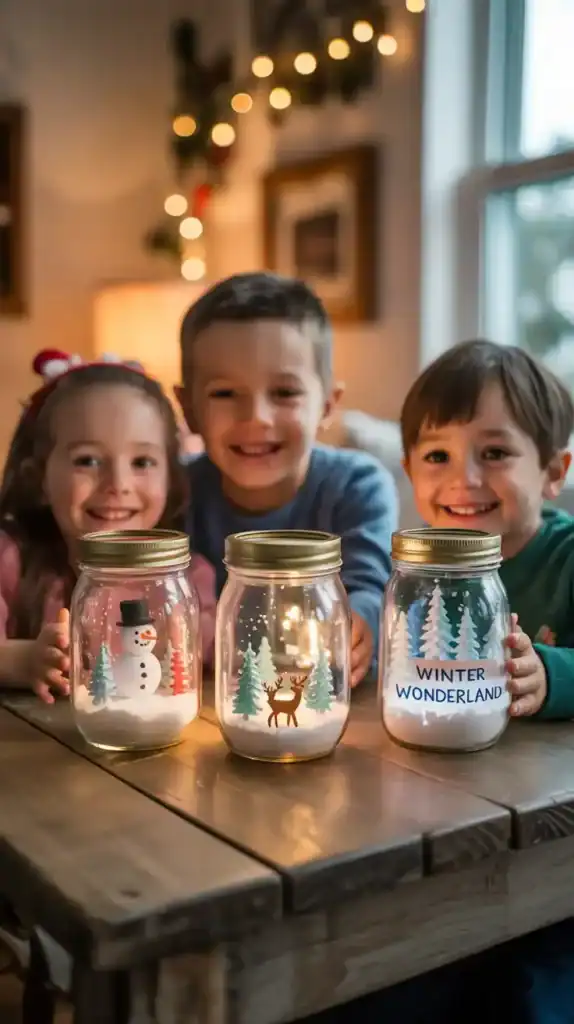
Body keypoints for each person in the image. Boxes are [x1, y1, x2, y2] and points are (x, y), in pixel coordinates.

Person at [400, 338, 574, 1021]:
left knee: (530, 996)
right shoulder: (420, 567)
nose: (463, 481)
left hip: (554, 844)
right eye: (437, 456)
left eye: (494, 454)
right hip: (447, 818)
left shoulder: (564, 558)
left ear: (553, 470)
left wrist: (550, 675)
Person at [175, 271, 398, 686]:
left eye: (284, 393)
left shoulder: (359, 486)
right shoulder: (176, 493)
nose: (256, 417)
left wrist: (360, 621)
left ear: (328, 404)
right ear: (187, 409)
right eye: (225, 393)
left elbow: (369, 586)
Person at [0, 348, 216, 702]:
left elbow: (222, 652)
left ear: (172, 479)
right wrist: (22, 661)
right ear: (38, 477)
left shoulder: (187, 578)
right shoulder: (10, 561)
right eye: (87, 460)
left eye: (142, 461)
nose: (118, 483)